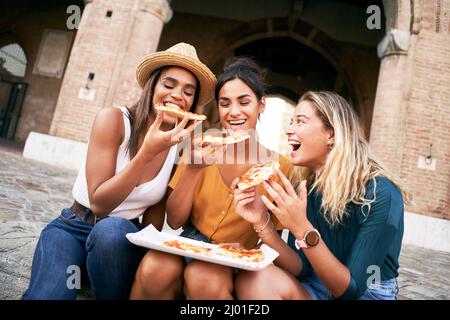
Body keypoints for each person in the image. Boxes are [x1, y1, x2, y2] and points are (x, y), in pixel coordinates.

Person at [22, 42, 216, 300]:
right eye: (168, 85)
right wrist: (146, 154)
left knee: (111, 232)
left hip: (120, 242)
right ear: (152, 87)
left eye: (188, 92)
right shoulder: (113, 119)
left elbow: (154, 216)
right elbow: (100, 204)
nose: (178, 95)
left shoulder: (181, 146)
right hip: (75, 227)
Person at [130, 57, 293, 300]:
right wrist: (194, 170)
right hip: (190, 241)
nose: (234, 112)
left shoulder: (280, 166)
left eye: (244, 102)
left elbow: (274, 242)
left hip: (236, 256)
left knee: (205, 278)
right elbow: (174, 221)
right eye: (225, 103)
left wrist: (248, 253)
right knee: (155, 266)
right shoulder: (200, 146)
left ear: (261, 105)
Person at [233, 91, 408, 300]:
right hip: (315, 286)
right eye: (291, 122)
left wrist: (301, 228)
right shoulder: (309, 187)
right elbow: (302, 268)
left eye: (300, 122)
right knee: (253, 279)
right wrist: (263, 222)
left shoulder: (381, 194)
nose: (289, 130)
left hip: (366, 294)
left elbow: (350, 291)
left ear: (332, 134)